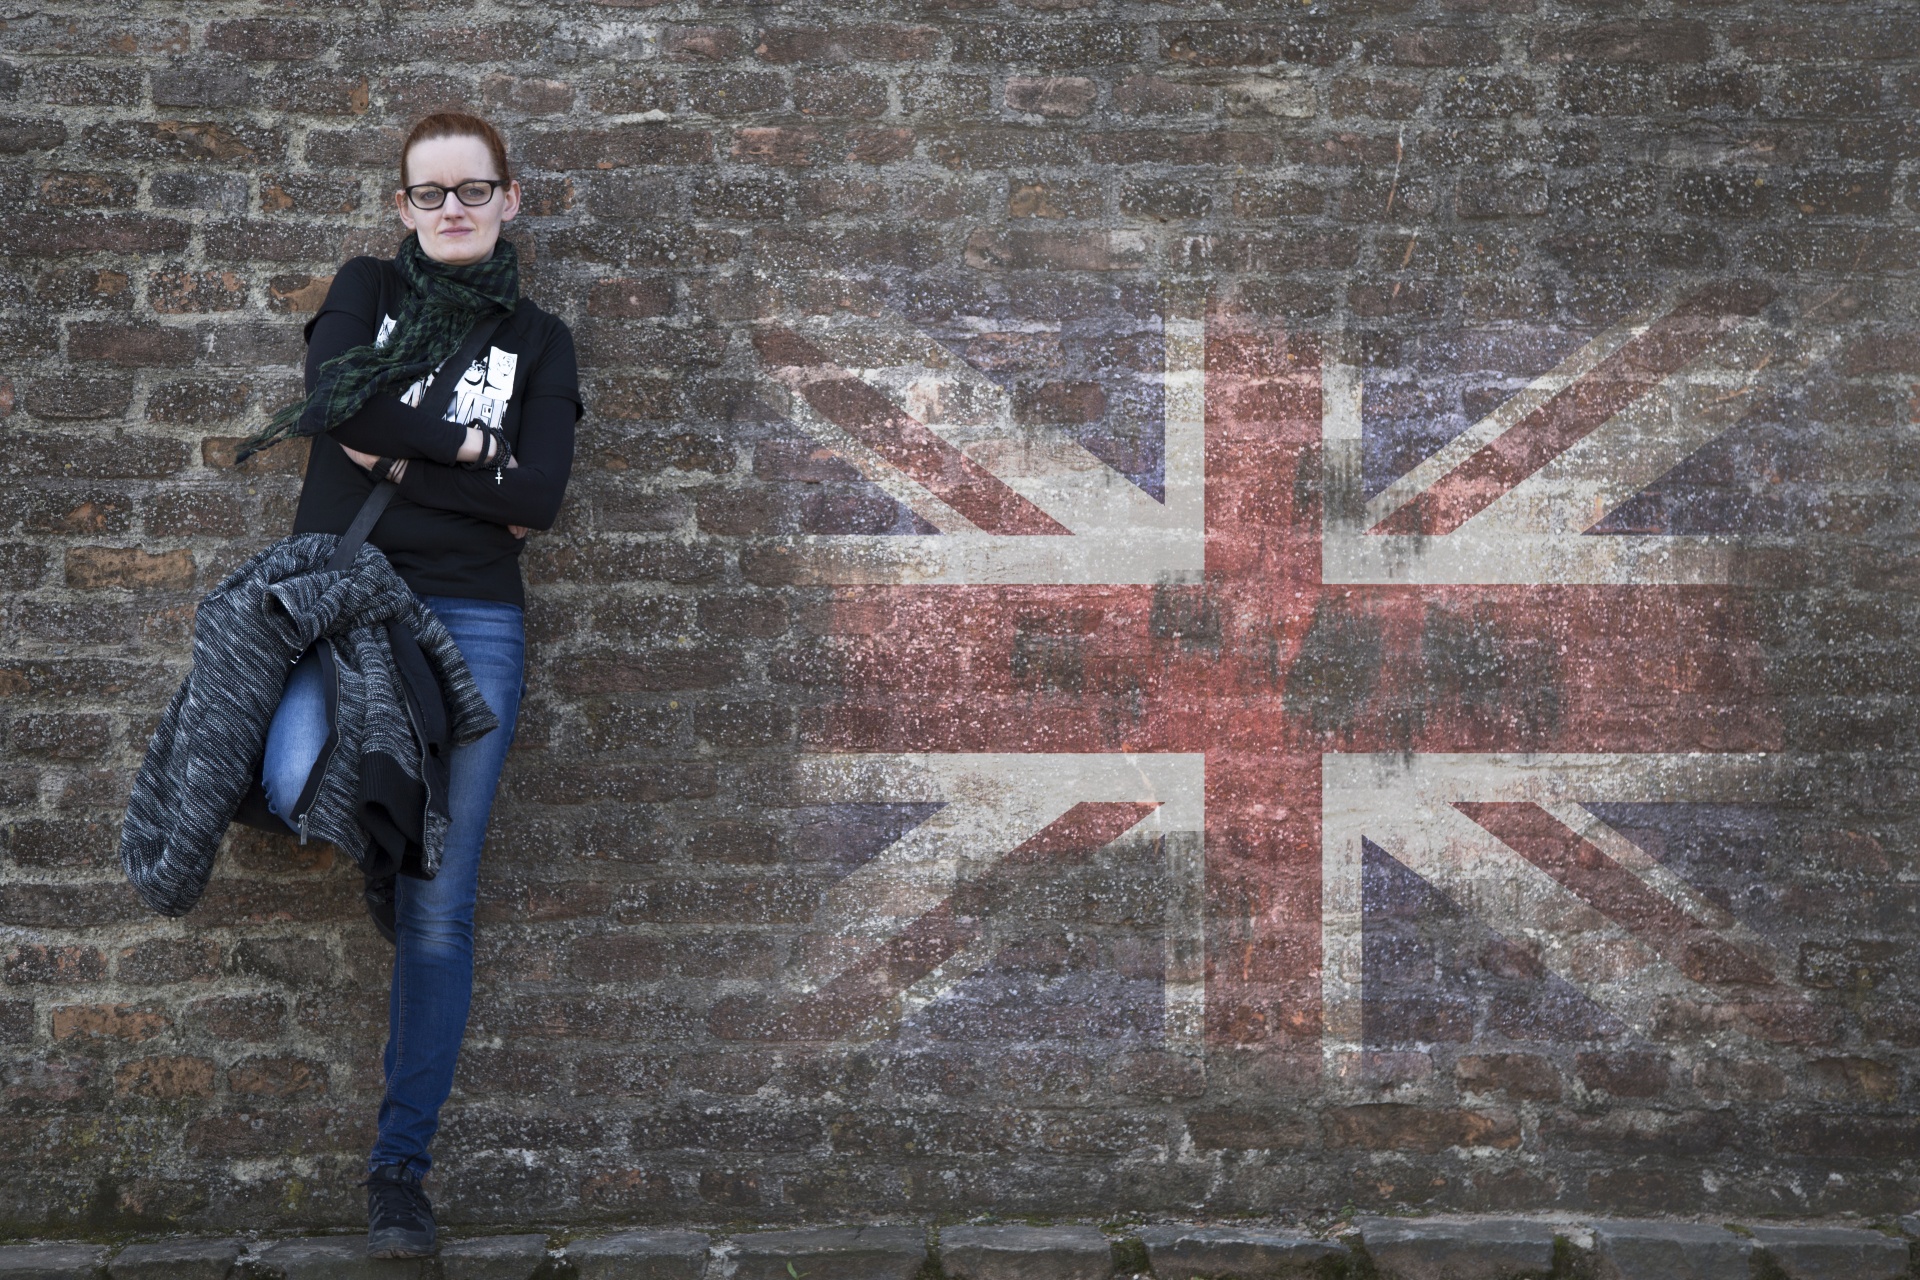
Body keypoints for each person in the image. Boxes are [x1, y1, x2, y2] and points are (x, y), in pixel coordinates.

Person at [245, 111, 580, 1257]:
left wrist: (408, 451)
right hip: (347, 596)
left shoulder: (540, 339)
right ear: (401, 206)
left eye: (473, 191)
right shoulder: (361, 291)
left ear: (510, 200)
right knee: (294, 778)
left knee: (445, 904)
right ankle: (384, 844)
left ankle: (400, 1171)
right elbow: (335, 403)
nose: (452, 210)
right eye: (430, 193)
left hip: (477, 613)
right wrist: (475, 453)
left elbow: (540, 500)